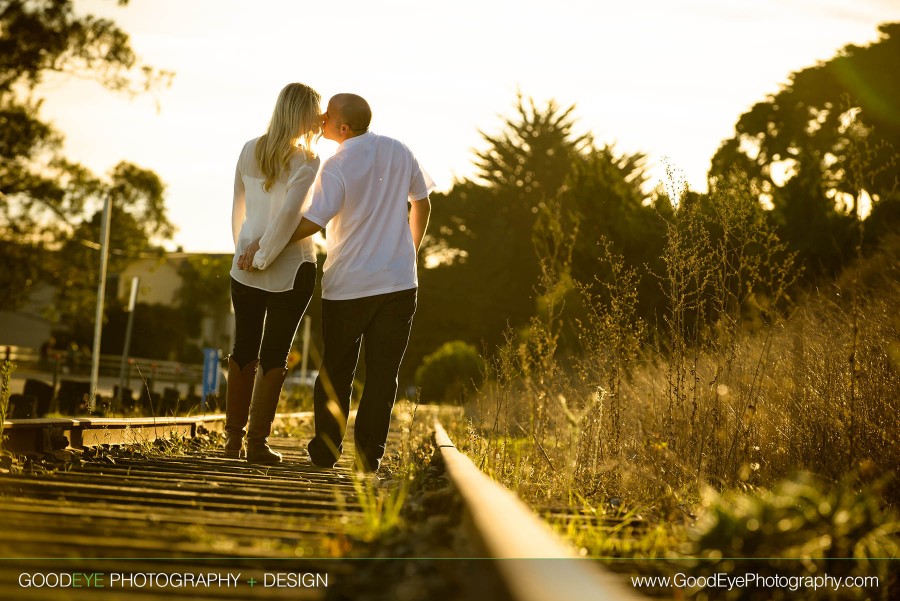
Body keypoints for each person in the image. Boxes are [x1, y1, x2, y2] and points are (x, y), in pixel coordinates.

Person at [239, 93, 432, 473]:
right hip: (398, 284)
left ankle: (326, 451)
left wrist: (266, 244)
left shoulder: (337, 164)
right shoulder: (399, 150)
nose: (320, 118)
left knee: (336, 373)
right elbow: (422, 203)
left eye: (327, 115)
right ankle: (368, 459)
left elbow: (314, 221)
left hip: (349, 286)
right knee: (382, 375)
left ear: (343, 128)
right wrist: (410, 251)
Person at [227, 82, 322, 464]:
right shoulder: (307, 160)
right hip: (292, 267)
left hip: (244, 267)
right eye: (315, 113)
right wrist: (262, 255)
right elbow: (289, 217)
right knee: (274, 353)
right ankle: (254, 445)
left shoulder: (249, 148)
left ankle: (233, 442)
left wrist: (244, 251)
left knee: (243, 347)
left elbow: (238, 209)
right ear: (303, 115)